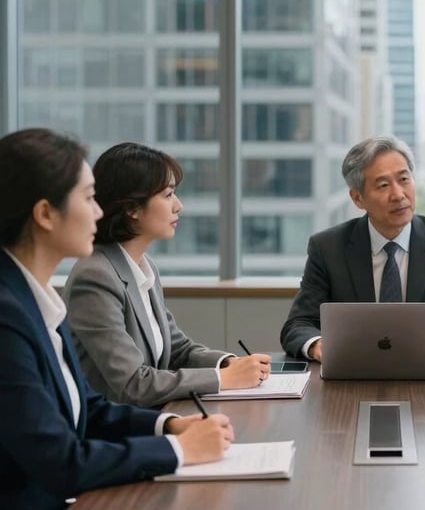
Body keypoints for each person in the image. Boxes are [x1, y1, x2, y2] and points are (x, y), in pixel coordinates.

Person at [0, 128, 242, 510]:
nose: (98, 212)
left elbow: (89, 409)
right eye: (89, 198)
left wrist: (169, 426)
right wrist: (180, 452)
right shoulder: (8, 315)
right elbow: (61, 459)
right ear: (45, 214)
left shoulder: (33, 297)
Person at [64, 142, 271, 407]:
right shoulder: (95, 277)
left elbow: (177, 350)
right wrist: (224, 378)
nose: (178, 205)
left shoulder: (144, 266)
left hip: (154, 416)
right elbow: (133, 384)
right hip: (115, 427)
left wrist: (229, 363)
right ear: (132, 208)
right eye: (168, 194)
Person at [280, 135, 425, 361]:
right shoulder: (328, 248)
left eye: (404, 179)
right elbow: (298, 325)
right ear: (358, 198)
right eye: (383, 185)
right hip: (353, 371)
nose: (398, 195)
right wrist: (318, 346)